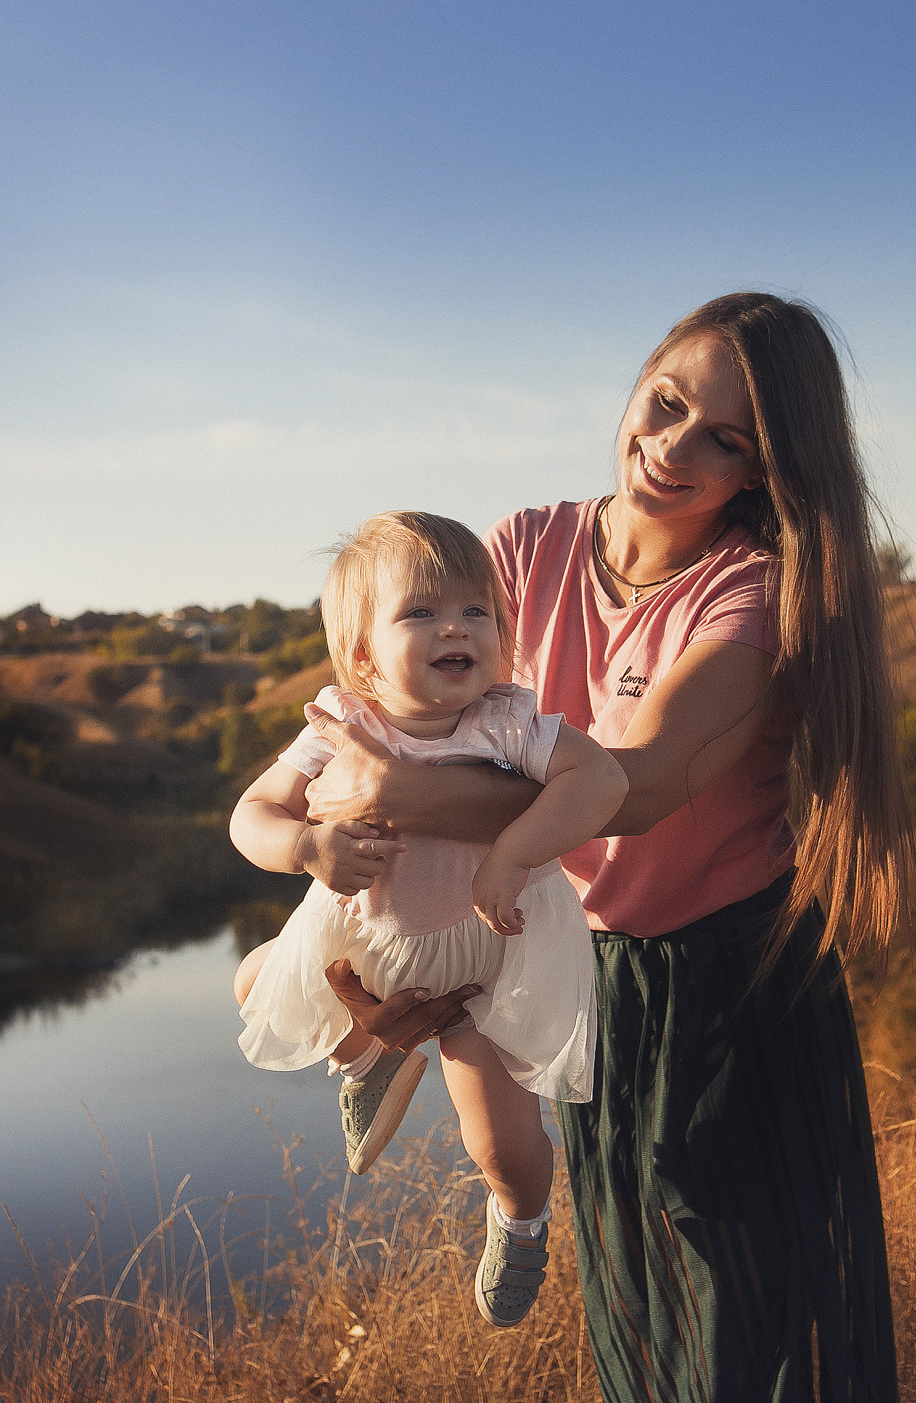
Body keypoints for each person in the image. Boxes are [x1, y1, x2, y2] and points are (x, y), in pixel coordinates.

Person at [300, 294, 915, 1401]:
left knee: (746, 1324)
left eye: (728, 439)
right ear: (637, 384)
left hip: (725, 983)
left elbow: (630, 787)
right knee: (635, 1305)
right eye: (667, 403)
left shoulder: (752, 596)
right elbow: (420, 718)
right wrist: (395, 928)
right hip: (581, 963)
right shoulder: (523, 548)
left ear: (767, 471)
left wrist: (391, 793)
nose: (673, 449)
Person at [228, 510, 628, 1328]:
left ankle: (519, 1222)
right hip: (375, 949)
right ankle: (370, 1051)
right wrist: (306, 844)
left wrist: (515, 851)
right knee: (252, 982)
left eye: (477, 610)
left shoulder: (506, 722)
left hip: (491, 962)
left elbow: (603, 783)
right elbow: (250, 815)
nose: (457, 626)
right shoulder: (343, 727)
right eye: (420, 611)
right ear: (366, 656)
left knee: (505, 1148)